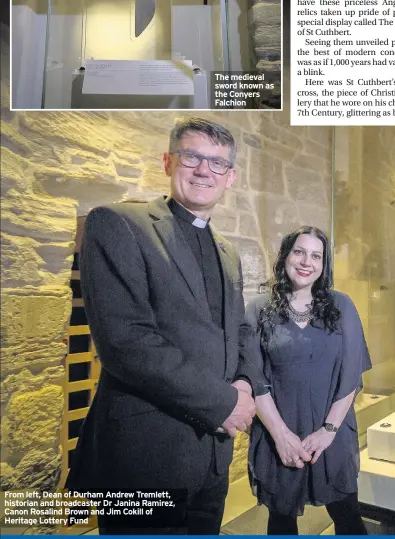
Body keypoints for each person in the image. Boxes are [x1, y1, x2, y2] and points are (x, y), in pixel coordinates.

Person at [65, 117, 257, 534]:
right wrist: (225, 403)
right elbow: (126, 342)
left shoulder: (227, 252)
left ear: (231, 177)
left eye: (217, 163)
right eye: (193, 157)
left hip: (211, 456)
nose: (205, 170)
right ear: (169, 161)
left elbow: (239, 330)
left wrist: (244, 382)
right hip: (147, 455)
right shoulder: (119, 225)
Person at [242, 226, 371, 535]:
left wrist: (328, 430)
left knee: (348, 516)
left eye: (316, 256)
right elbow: (253, 377)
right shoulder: (259, 309)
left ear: (324, 265)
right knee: (282, 519)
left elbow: (351, 374)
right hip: (279, 433)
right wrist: (281, 435)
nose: (306, 262)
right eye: (299, 252)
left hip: (332, 432)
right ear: (286, 256)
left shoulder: (341, 306)